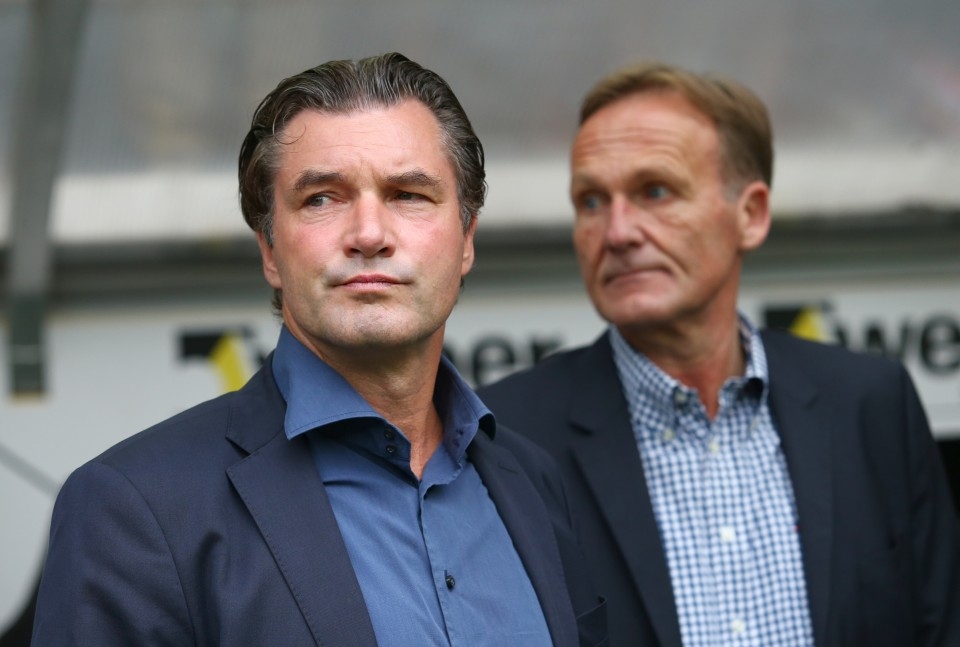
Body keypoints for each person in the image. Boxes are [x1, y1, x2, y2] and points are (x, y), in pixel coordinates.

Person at [31, 53, 605, 647]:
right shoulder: (134, 507)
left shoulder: (532, 481)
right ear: (270, 251)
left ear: (466, 242)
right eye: (322, 199)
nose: (369, 235)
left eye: (409, 194)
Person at [478, 60, 960, 647]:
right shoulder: (505, 437)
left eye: (655, 191)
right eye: (591, 201)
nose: (618, 232)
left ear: (750, 215)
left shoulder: (869, 405)